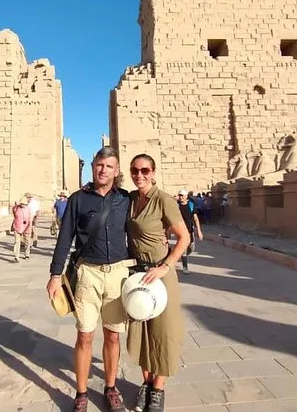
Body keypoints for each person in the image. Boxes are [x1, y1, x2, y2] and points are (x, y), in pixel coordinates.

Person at [46, 146, 132, 412]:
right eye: (99, 165)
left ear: (116, 171)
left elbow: (139, 230)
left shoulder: (125, 199)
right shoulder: (78, 199)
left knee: (113, 336)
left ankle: (110, 387)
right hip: (87, 274)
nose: (103, 170)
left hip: (117, 273)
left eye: (109, 166)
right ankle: (81, 392)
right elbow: (65, 238)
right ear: (93, 167)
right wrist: (55, 274)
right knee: (84, 335)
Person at [126, 154, 191, 412]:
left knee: (164, 331)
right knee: (141, 331)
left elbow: (184, 237)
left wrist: (166, 266)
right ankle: (146, 383)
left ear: (153, 172)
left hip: (160, 275)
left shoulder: (163, 200)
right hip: (137, 274)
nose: (139, 175)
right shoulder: (131, 199)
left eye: (145, 170)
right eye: (135, 170)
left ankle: (158, 389)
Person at [176, 189, 203, 275]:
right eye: (179, 195)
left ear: (186, 196)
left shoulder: (191, 205)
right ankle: (185, 267)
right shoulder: (176, 206)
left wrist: (199, 231)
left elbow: (195, 218)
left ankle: (180, 255)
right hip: (181, 230)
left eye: (182, 195)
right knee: (183, 248)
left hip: (190, 229)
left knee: (191, 247)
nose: (180, 197)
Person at [11, 196, 32, 262]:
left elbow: (30, 219)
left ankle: (27, 254)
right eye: (22, 203)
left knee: (27, 241)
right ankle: (16, 256)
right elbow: (14, 215)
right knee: (17, 242)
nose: (23, 205)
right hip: (17, 226)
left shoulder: (28, 209)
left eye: (24, 204)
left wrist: (30, 228)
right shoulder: (15, 208)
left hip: (26, 227)